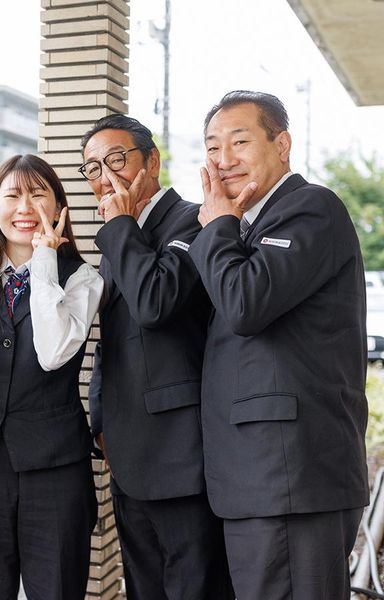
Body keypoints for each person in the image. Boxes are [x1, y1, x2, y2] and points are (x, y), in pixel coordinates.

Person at [189, 90, 368, 599]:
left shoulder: (308, 207)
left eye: (240, 142)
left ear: (282, 143)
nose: (224, 161)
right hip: (263, 480)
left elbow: (245, 303)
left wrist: (218, 224)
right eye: (212, 147)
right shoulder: (251, 224)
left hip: (291, 478)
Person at [82, 114, 233, 600]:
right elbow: (110, 336)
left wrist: (120, 224)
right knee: (142, 588)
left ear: (152, 160)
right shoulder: (117, 237)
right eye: (91, 168)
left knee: (193, 588)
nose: (105, 176)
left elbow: (156, 302)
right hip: (127, 452)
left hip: (182, 453)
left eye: (117, 159)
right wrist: (100, 416)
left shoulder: (193, 220)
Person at [0, 154, 102, 600]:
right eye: (12, 195)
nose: (24, 208)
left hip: (56, 470)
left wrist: (45, 259)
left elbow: (53, 353)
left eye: (38, 194)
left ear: (58, 206)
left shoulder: (83, 279)